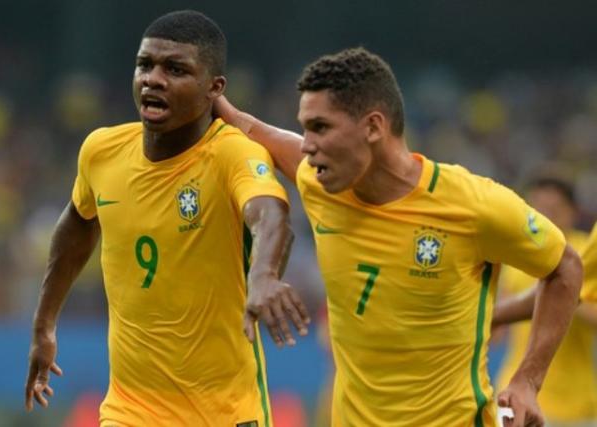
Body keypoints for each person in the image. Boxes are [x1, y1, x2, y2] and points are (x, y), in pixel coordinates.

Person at [214, 47, 583, 427]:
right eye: (305, 127)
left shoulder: (474, 206)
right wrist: (209, 92)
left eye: (321, 127)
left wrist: (527, 380)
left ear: (374, 127)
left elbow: (565, 267)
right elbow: (253, 129)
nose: (307, 144)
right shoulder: (320, 182)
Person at [24, 10, 309, 427]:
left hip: (225, 413)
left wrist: (263, 274)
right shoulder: (102, 151)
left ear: (215, 88)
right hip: (129, 410)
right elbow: (78, 223)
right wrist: (44, 324)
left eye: (176, 69)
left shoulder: (232, 152)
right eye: (145, 65)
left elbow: (270, 212)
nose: (153, 79)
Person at [495, 177, 597, 426]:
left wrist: (564, 293)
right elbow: (496, 329)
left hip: (576, 404)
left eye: (553, 209)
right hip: (515, 394)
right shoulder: (517, 256)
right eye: (538, 209)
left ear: (573, 212)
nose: (545, 217)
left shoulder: (584, 250)